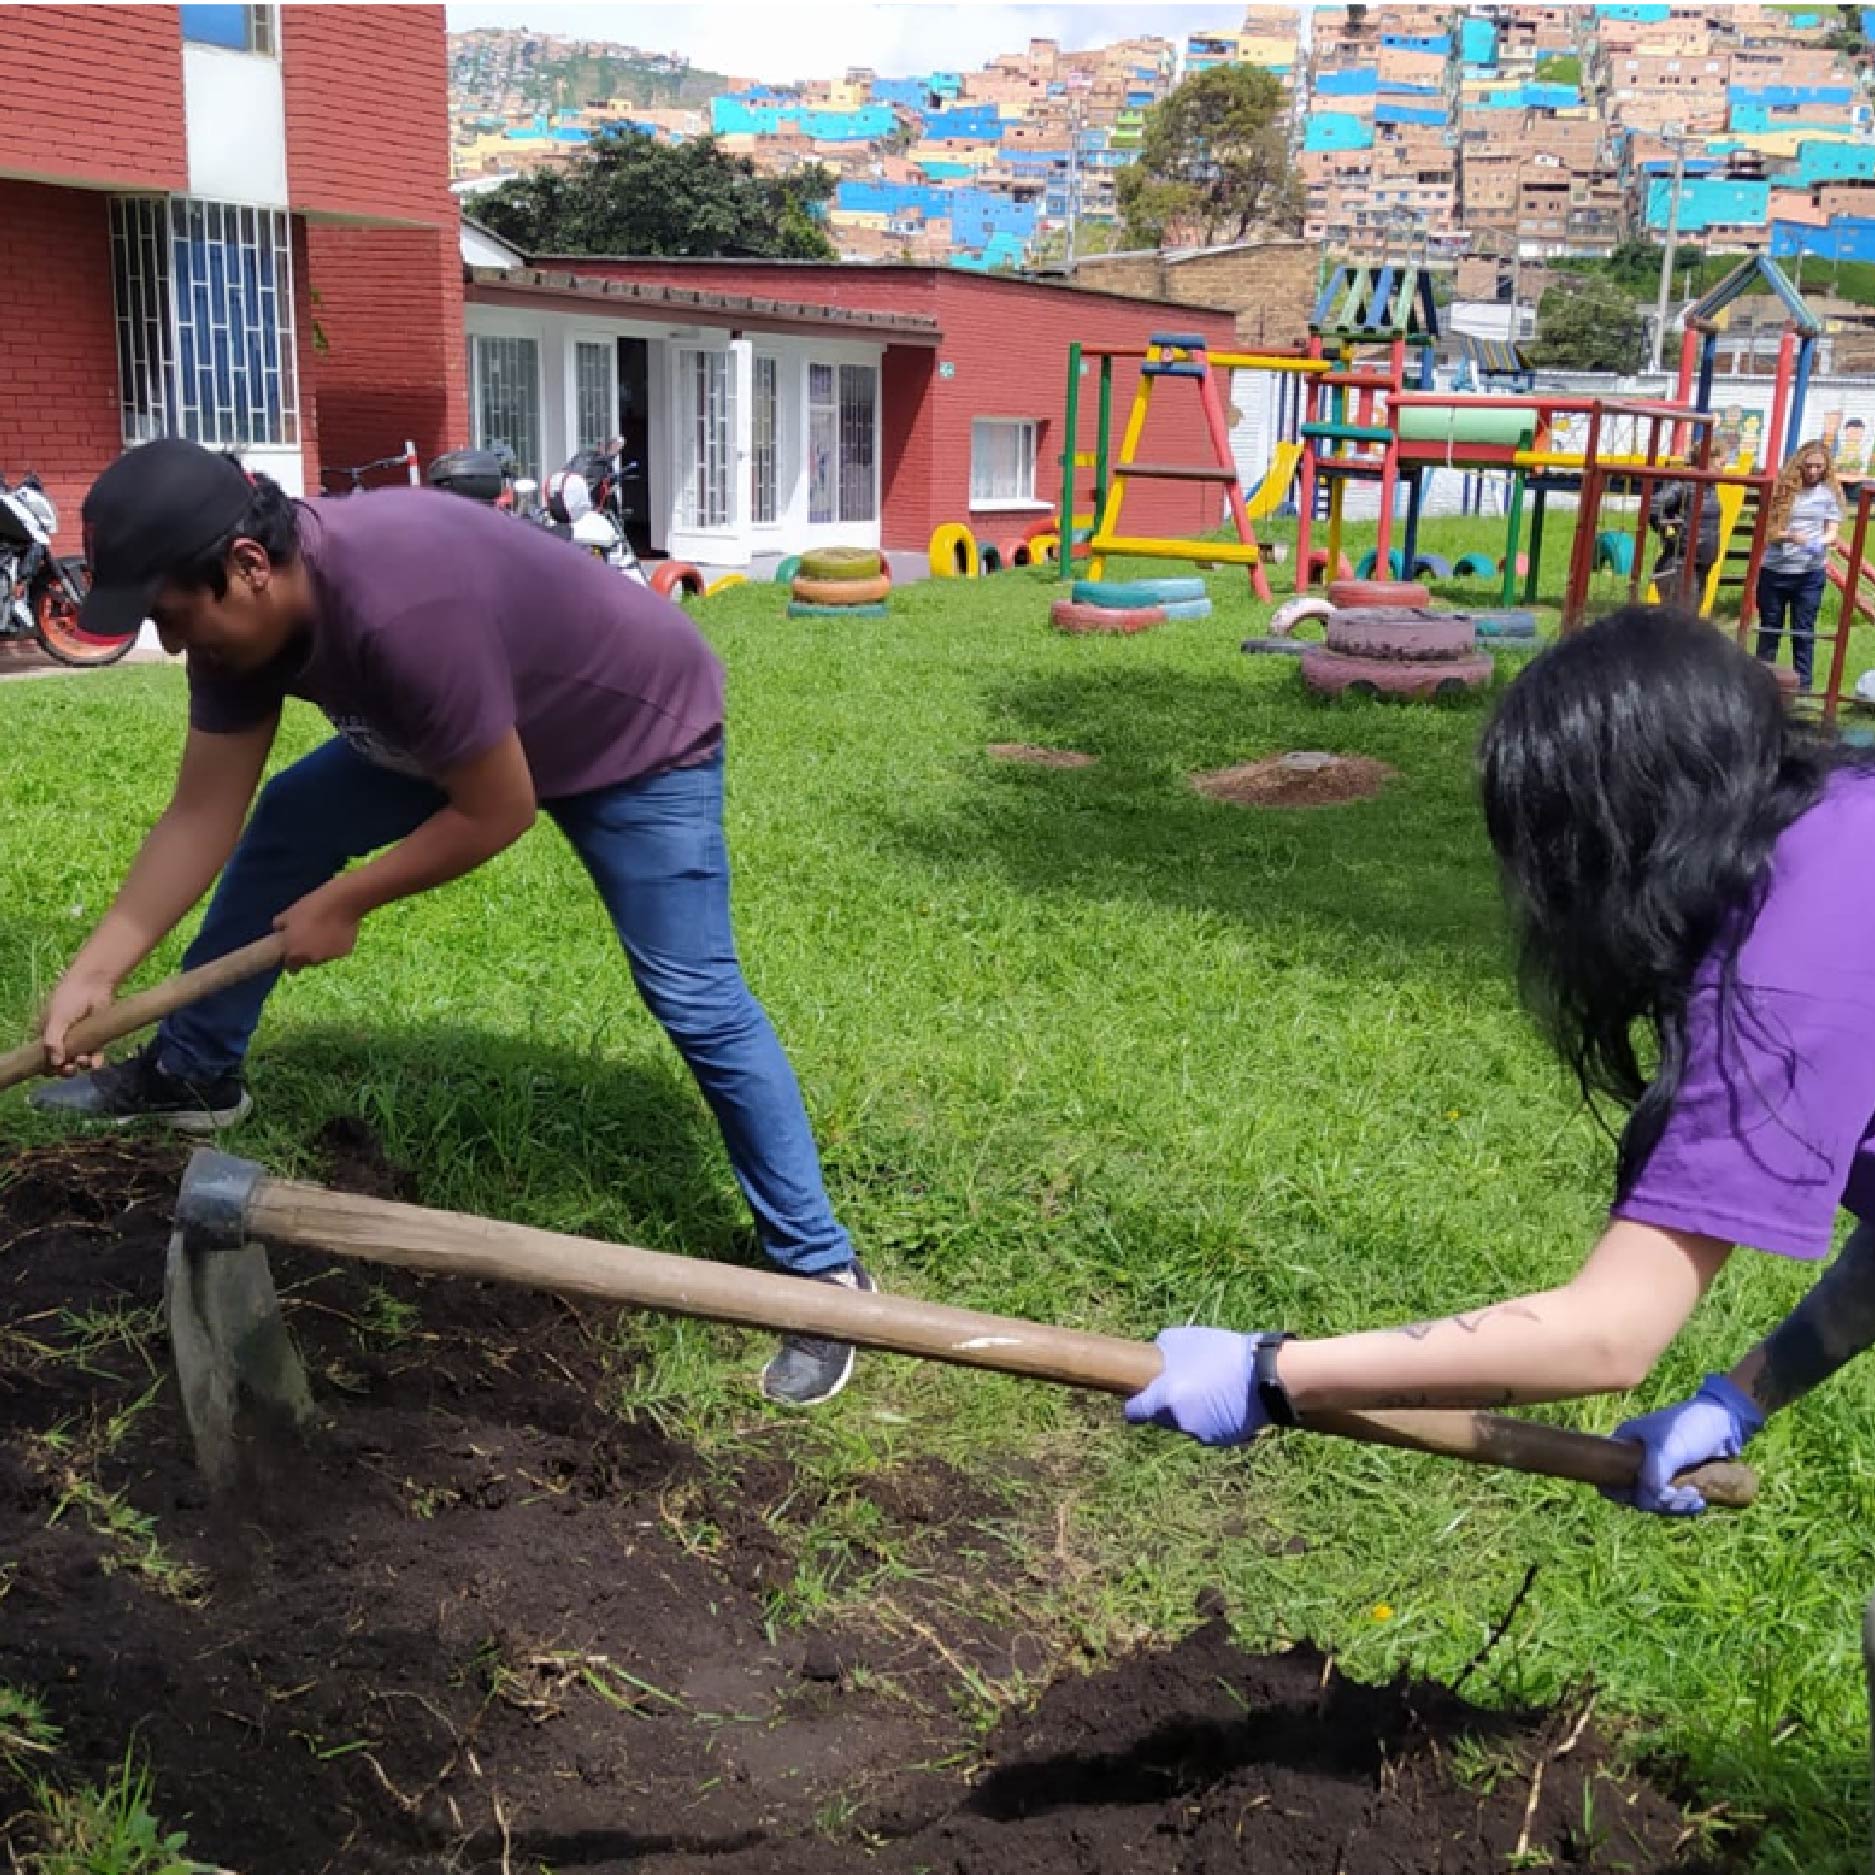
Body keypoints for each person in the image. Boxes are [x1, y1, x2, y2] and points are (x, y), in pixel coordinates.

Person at [32, 438, 870, 1409]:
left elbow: (497, 809)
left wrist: (347, 902)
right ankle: (195, 1072)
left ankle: (823, 1275)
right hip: (460, 726)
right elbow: (199, 814)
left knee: (693, 991)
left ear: (247, 566)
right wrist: (99, 968)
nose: (177, 650)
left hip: (631, 729)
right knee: (289, 825)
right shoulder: (237, 622)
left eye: (175, 622)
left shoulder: (397, 605)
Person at [1126, 606, 1875, 1514]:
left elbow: (1607, 1335)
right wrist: (1741, 1398)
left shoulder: (1789, 963)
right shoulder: (1841, 827)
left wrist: (1274, 1370)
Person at [1754, 441, 1843, 693]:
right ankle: (1762, 684)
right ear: (1799, 465)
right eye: (1809, 465)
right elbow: (1768, 531)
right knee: (1770, 628)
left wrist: (1817, 542)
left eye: (1819, 467)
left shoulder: (1829, 494)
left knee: (1803, 631)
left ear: (1826, 468)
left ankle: (1804, 687)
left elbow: (1832, 533)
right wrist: (1790, 536)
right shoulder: (1782, 491)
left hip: (1809, 574)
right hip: (1775, 571)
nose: (1813, 471)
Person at [1648, 478, 1721, 613]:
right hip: (1680, 563)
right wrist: (1667, 532)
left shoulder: (1710, 487)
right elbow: (1653, 505)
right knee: (1682, 619)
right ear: (1709, 460)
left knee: (1689, 620)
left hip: (1701, 564)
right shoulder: (1684, 484)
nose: (1724, 464)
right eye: (1721, 460)